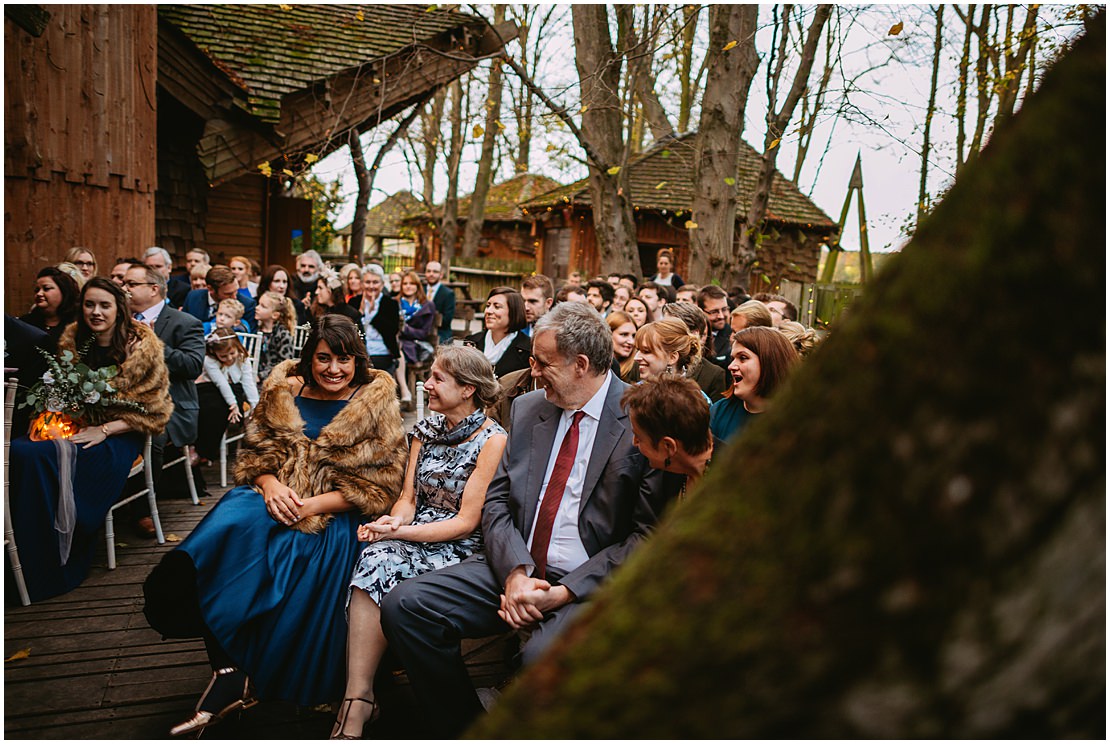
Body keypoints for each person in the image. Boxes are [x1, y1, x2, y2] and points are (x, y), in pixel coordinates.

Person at [379, 302, 680, 738]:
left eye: (543, 362)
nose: (533, 370)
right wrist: (516, 574)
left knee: (541, 660)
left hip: (583, 584)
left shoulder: (641, 416)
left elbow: (647, 535)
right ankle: (464, 725)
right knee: (407, 606)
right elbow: (497, 502)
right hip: (513, 566)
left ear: (580, 365)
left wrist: (564, 592)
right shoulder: (528, 408)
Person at [143, 315, 407, 736]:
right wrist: (269, 487)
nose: (334, 369)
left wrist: (310, 505)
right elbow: (255, 457)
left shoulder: (376, 402)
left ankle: (248, 671)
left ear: (358, 359)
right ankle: (227, 663)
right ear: (309, 357)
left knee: (292, 552)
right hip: (275, 501)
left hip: (336, 515)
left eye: (343, 359)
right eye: (323, 358)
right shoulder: (282, 390)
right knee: (235, 513)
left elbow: (381, 486)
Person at [334, 346, 508, 738]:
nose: (426, 384)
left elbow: (465, 523)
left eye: (437, 379)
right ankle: (358, 696)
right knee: (376, 554)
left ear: (467, 389)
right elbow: (409, 499)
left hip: (462, 546)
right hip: (417, 530)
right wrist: (391, 522)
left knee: (385, 556)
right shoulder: (425, 431)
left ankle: (365, 698)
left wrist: (398, 533)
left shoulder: (493, 441)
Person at [7, 278, 172, 603]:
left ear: (119, 309)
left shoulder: (140, 347)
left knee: (39, 457)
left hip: (121, 436)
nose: (96, 312)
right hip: (74, 427)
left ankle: (60, 558)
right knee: (21, 451)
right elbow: (59, 394)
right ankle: (26, 557)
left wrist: (105, 430)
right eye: (89, 304)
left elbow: (157, 413)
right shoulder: (72, 341)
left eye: (104, 305)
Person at [622, 374, 718, 497]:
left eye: (639, 437)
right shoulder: (670, 472)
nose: (634, 442)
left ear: (669, 446)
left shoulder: (736, 479)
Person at [710, 326, 800, 442]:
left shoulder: (798, 421)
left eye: (743, 358)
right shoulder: (719, 412)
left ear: (769, 362)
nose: (731, 366)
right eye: (732, 359)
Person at [663, 301, 729, 402]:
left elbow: (714, 416)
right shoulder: (646, 364)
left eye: (670, 328)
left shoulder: (713, 375)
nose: (661, 332)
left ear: (694, 333)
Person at [464, 286, 531, 378]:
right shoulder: (472, 342)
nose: (489, 311)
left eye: (497, 307)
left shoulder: (528, 348)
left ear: (513, 312)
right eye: (488, 306)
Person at [632, 319, 705, 403]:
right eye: (638, 350)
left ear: (672, 357)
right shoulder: (632, 395)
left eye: (646, 351)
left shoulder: (696, 400)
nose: (636, 358)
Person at [349, 265, 401, 375]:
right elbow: (348, 328)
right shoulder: (354, 302)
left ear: (382, 285)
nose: (371, 286)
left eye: (375, 282)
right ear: (362, 284)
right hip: (358, 351)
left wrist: (373, 315)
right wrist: (360, 314)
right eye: (367, 282)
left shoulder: (390, 304)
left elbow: (392, 331)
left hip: (382, 351)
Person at [19, 266, 80, 350]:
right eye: (37, 290)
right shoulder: (25, 324)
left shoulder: (78, 324)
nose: (39, 294)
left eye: (46, 289)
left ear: (64, 291)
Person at [183, 265, 257, 332]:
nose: (235, 297)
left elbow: (249, 339)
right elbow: (184, 327)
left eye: (236, 291)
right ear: (210, 289)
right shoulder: (193, 297)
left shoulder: (247, 304)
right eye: (228, 294)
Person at [255, 290, 297, 382]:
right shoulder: (256, 329)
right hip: (253, 377)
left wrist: (261, 376)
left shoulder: (282, 334)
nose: (257, 308)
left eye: (263, 306)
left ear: (275, 315)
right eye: (258, 304)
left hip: (273, 381)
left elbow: (285, 363)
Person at [398, 269, 437, 366]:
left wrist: (405, 329)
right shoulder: (395, 302)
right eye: (405, 283)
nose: (408, 286)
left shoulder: (427, 305)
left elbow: (424, 333)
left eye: (412, 283)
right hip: (396, 342)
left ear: (417, 286)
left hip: (415, 345)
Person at [697, 284, 733, 372]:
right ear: (700, 310)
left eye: (724, 309)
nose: (721, 316)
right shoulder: (692, 333)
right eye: (714, 312)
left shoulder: (732, 335)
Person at [424, 261, 456, 345]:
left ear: (441, 275)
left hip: (441, 332)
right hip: (420, 331)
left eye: (435, 272)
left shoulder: (448, 294)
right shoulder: (420, 290)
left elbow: (447, 320)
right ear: (425, 273)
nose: (431, 274)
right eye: (428, 271)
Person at [607, 310, 639, 383]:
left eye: (634, 336)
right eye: (624, 334)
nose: (631, 341)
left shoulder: (638, 368)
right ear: (608, 334)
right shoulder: (595, 365)